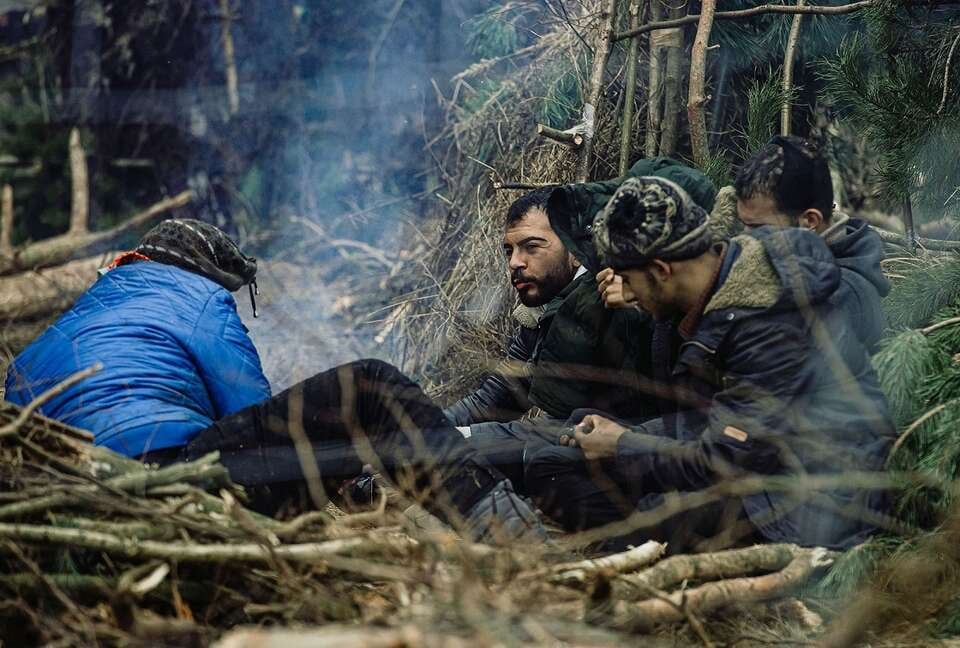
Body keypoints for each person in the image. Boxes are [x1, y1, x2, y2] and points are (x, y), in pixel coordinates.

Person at [4, 219, 545, 544]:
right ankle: (511, 534)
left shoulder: (44, 342)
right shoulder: (197, 298)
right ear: (207, 273)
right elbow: (255, 419)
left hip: (81, 502)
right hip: (175, 484)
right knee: (372, 386)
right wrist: (338, 463)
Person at [524, 176, 897, 553]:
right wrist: (620, 436)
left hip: (816, 501)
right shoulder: (721, 279)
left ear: (662, 271)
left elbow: (724, 461)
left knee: (641, 514)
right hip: (752, 454)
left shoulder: (766, 322)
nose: (625, 291)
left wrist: (623, 445)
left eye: (629, 278)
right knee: (554, 464)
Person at [445, 159, 715, 489]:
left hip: (657, 455)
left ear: (575, 250)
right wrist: (427, 432)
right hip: (616, 443)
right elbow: (498, 395)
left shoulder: (622, 298)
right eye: (509, 250)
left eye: (532, 247)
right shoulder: (544, 308)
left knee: (543, 459)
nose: (515, 262)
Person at [734, 135, 890, 351]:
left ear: (810, 221)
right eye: (743, 224)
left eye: (759, 228)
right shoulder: (798, 263)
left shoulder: (839, 297)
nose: (743, 239)